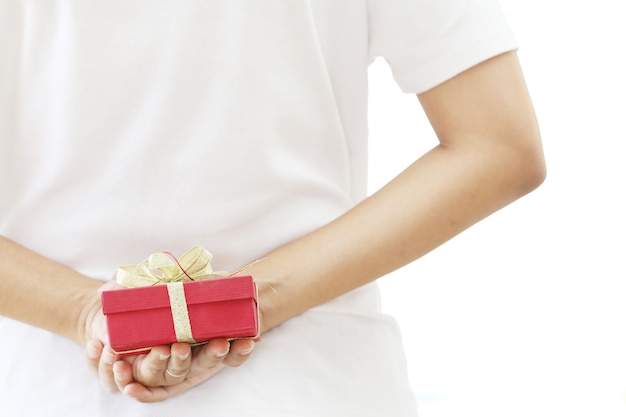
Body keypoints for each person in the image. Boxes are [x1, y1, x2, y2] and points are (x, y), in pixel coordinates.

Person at [0, 1, 545, 416]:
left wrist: (86, 312)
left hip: (47, 388)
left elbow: (501, 149)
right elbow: (497, 144)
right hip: (315, 383)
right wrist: (251, 298)